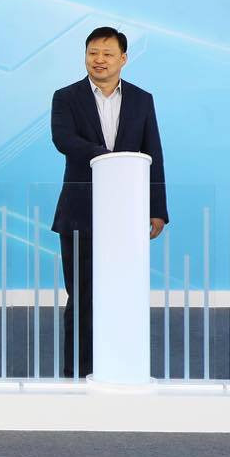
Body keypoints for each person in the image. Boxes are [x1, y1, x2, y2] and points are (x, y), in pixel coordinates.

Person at [49, 26, 168, 379]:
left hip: (127, 214)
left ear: (123, 59)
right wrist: (110, 159)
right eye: (93, 53)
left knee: (122, 294)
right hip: (79, 213)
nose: (99, 60)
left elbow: (153, 153)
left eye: (107, 54)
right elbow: (63, 140)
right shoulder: (66, 97)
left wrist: (157, 209)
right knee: (82, 296)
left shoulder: (142, 99)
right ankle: (77, 372)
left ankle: (120, 367)